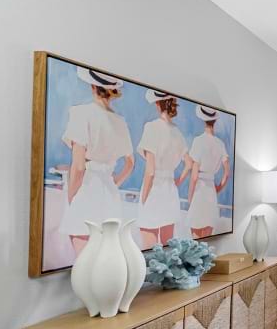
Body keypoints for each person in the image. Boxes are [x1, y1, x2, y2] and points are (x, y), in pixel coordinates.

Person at [60, 67, 134, 255]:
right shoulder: (120, 121)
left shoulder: (81, 113)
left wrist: (72, 197)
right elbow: (130, 163)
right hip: (110, 193)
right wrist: (114, 182)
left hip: (86, 190)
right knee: (106, 259)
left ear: (93, 86)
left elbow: (78, 167)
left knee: (85, 263)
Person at [137, 89, 190, 248]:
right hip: (170, 191)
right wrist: (177, 182)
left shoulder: (152, 127)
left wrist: (143, 199)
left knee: (149, 251)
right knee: (168, 248)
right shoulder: (177, 132)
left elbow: (150, 171)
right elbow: (189, 164)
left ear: (157, 103)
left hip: (154, 190)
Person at [187, 105, 230, 238]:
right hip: (211, 192)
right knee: (207, 240)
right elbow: (227, 172)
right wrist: (218, 187)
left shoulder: (198, 141)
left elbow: (194, 177)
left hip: (199, 191)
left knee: (195, 241)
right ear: (215, 121)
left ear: (202, 119)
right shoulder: (220, 144)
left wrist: (190, 198)